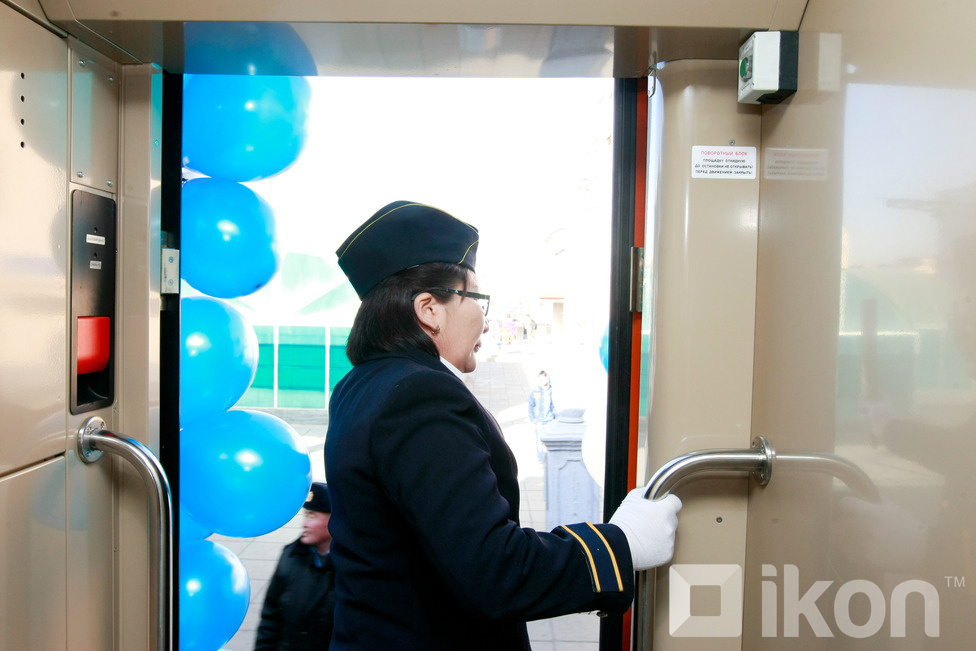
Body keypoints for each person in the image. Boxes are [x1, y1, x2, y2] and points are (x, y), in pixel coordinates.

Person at [325, 200, 682, 650]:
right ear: (429, 309)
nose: (487, 322)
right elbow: (495, 570)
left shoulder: (361, 384)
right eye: (476, 298)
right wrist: (620, 545)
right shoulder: (419, 396)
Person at [255, 482, 337, 651]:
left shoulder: (350, 567)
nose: (304, 524)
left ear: (332, 520)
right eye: (306, 515)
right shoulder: (290, 558)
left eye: (312, 516)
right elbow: (270, 619)